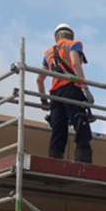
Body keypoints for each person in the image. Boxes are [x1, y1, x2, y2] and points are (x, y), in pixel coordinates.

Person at [36, 23, 95, 163]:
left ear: (56, 37)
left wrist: (44, 100)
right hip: (71, 89)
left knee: (58, 129)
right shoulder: (74, 45)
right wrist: (86, 88)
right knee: (81, 125)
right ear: (71, 36)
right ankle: (83, 162)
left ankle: (54, 161)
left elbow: (39, 79)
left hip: (55, 94)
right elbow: (75, 64)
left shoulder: (48, 53)